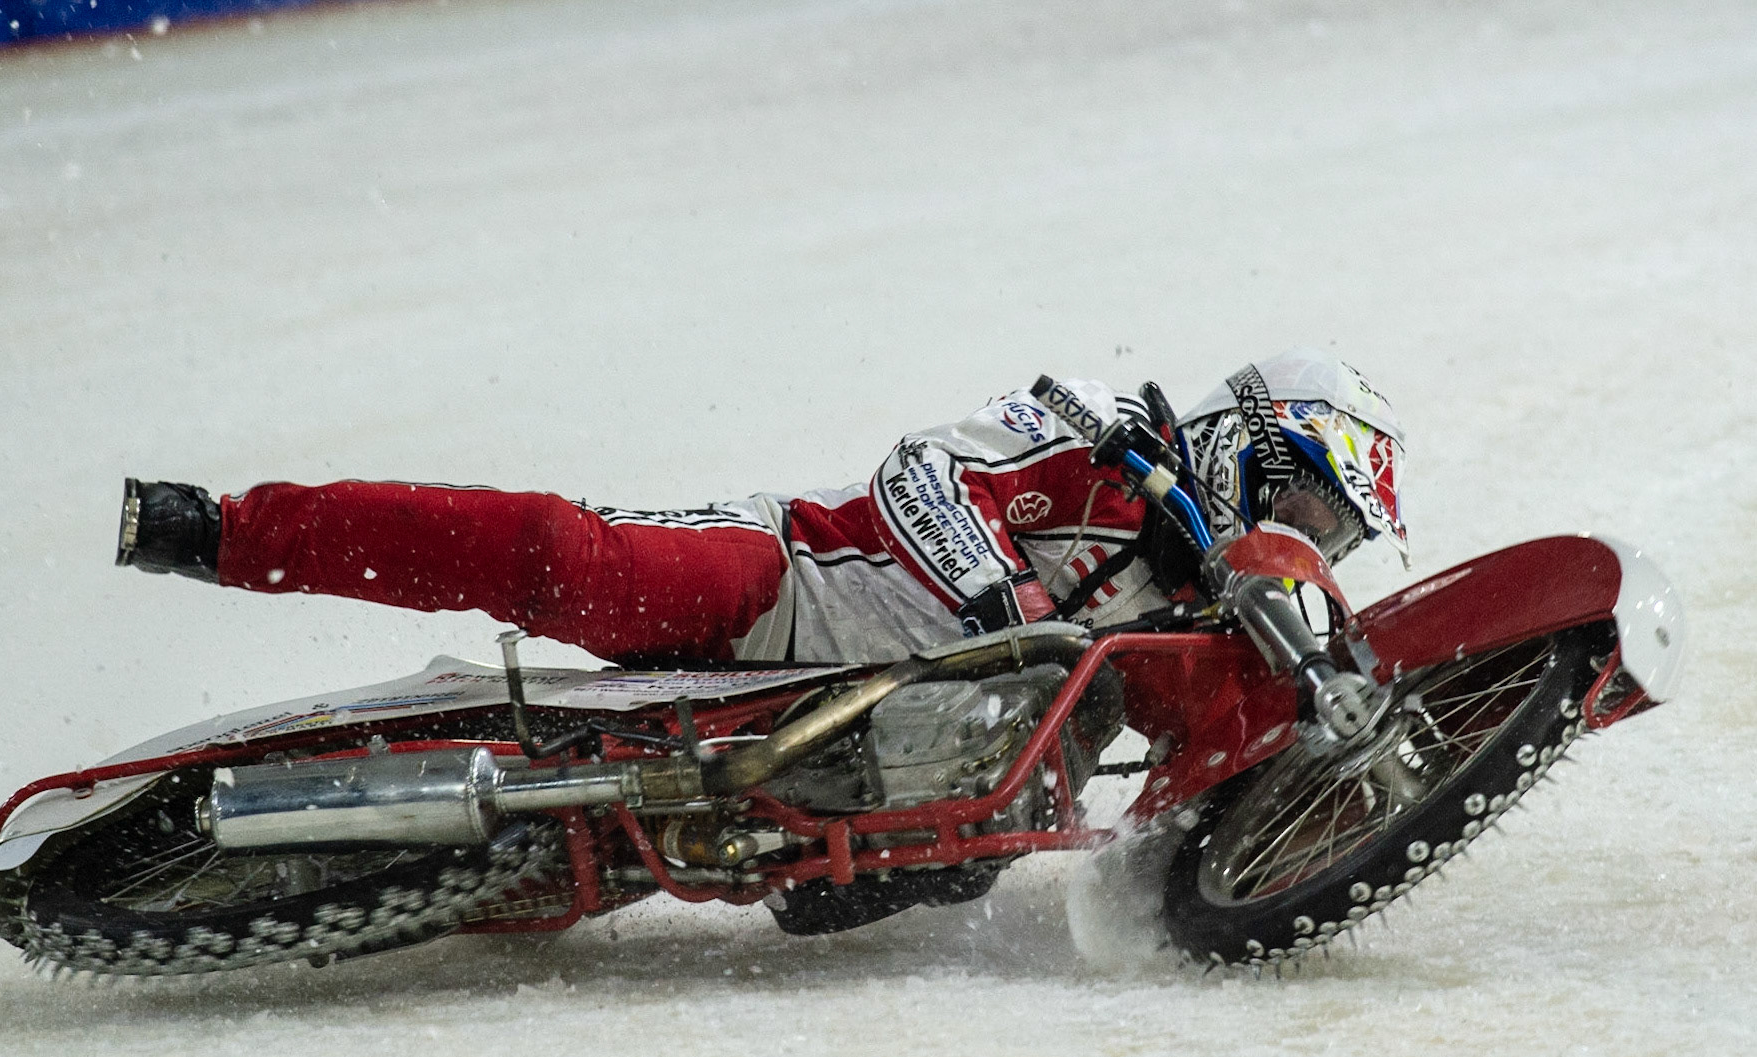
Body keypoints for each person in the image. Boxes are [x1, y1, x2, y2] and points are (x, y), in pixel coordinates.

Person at [116, 347, 1408, 666]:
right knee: (562, 557)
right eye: (1299, 491)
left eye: (1329, 524)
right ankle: (223, 528)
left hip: (883, 734)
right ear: (1246, 433)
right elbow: (918, 474)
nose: (1302, 524)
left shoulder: (1202, 608)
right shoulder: (1098, 436)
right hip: (789, 578)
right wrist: (992, 600)